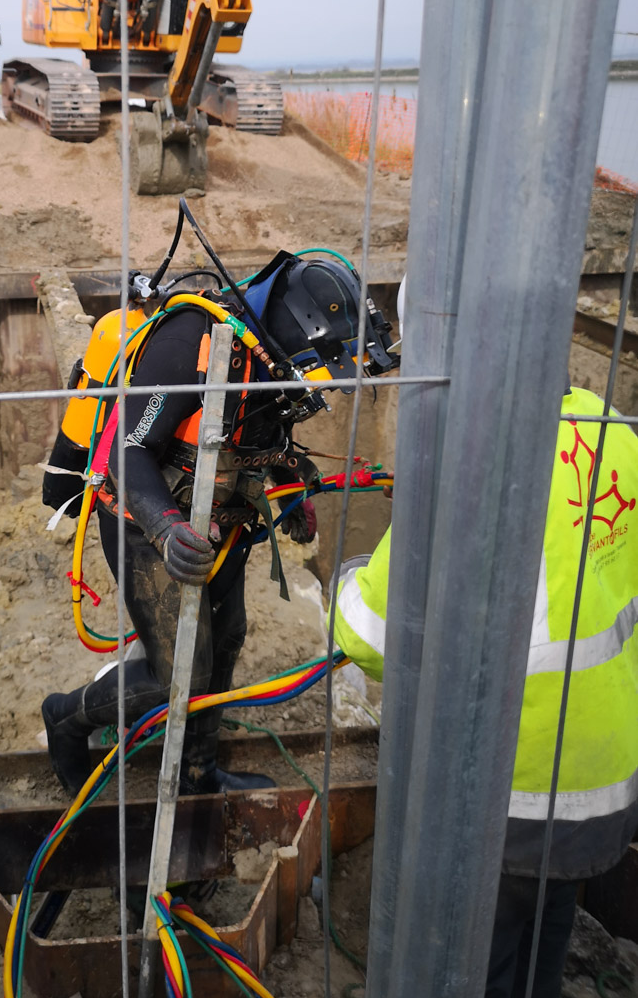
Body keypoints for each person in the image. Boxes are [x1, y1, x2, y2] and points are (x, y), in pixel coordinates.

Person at [332, 383, 638, 998]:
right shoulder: (610, 426)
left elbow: (369, 635)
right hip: (605, 772)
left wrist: (354, 577)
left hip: (514, 791)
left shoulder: (477, 454)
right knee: (538, 972)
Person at [40, 249, 397, 800]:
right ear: (297, 330)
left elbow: (262, 427)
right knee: (177, 672)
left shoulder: (273, 363)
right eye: (321, 371)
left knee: (225, 639)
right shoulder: (192, 343)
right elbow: (128, 450)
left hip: (219, 519)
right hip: (141, 518)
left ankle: (197, 772)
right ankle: (66, 718)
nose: (322, 389)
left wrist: (293, 484)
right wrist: (163, 529)